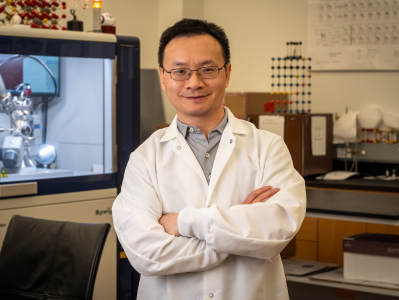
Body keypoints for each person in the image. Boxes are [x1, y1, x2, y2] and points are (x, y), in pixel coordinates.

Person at [112, 18, 306, 300]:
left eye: (207, 69)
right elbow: (147, 255)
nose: (194, 82)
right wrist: (238, 236)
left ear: (227, 73)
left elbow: (277, 230)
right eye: (180, 71)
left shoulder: (268, 148)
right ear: (163, 77)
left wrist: (182, 223)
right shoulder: (144, 158)